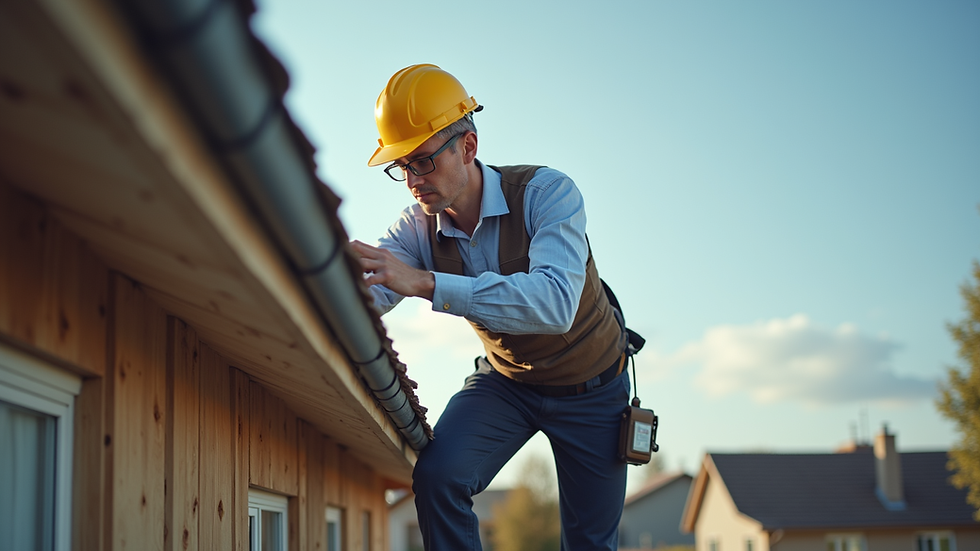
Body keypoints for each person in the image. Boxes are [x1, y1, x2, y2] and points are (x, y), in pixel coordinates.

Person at [351, 64, 630, 551]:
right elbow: (365, 293)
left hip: (594, 391)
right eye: (402, 167)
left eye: (423, 162)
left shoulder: (548, 195)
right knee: (439, 477)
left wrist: (425, 282)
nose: (413, 181)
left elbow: (555, 304)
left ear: (468, 147)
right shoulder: (417, 227)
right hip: (508, 384)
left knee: (589, 544)